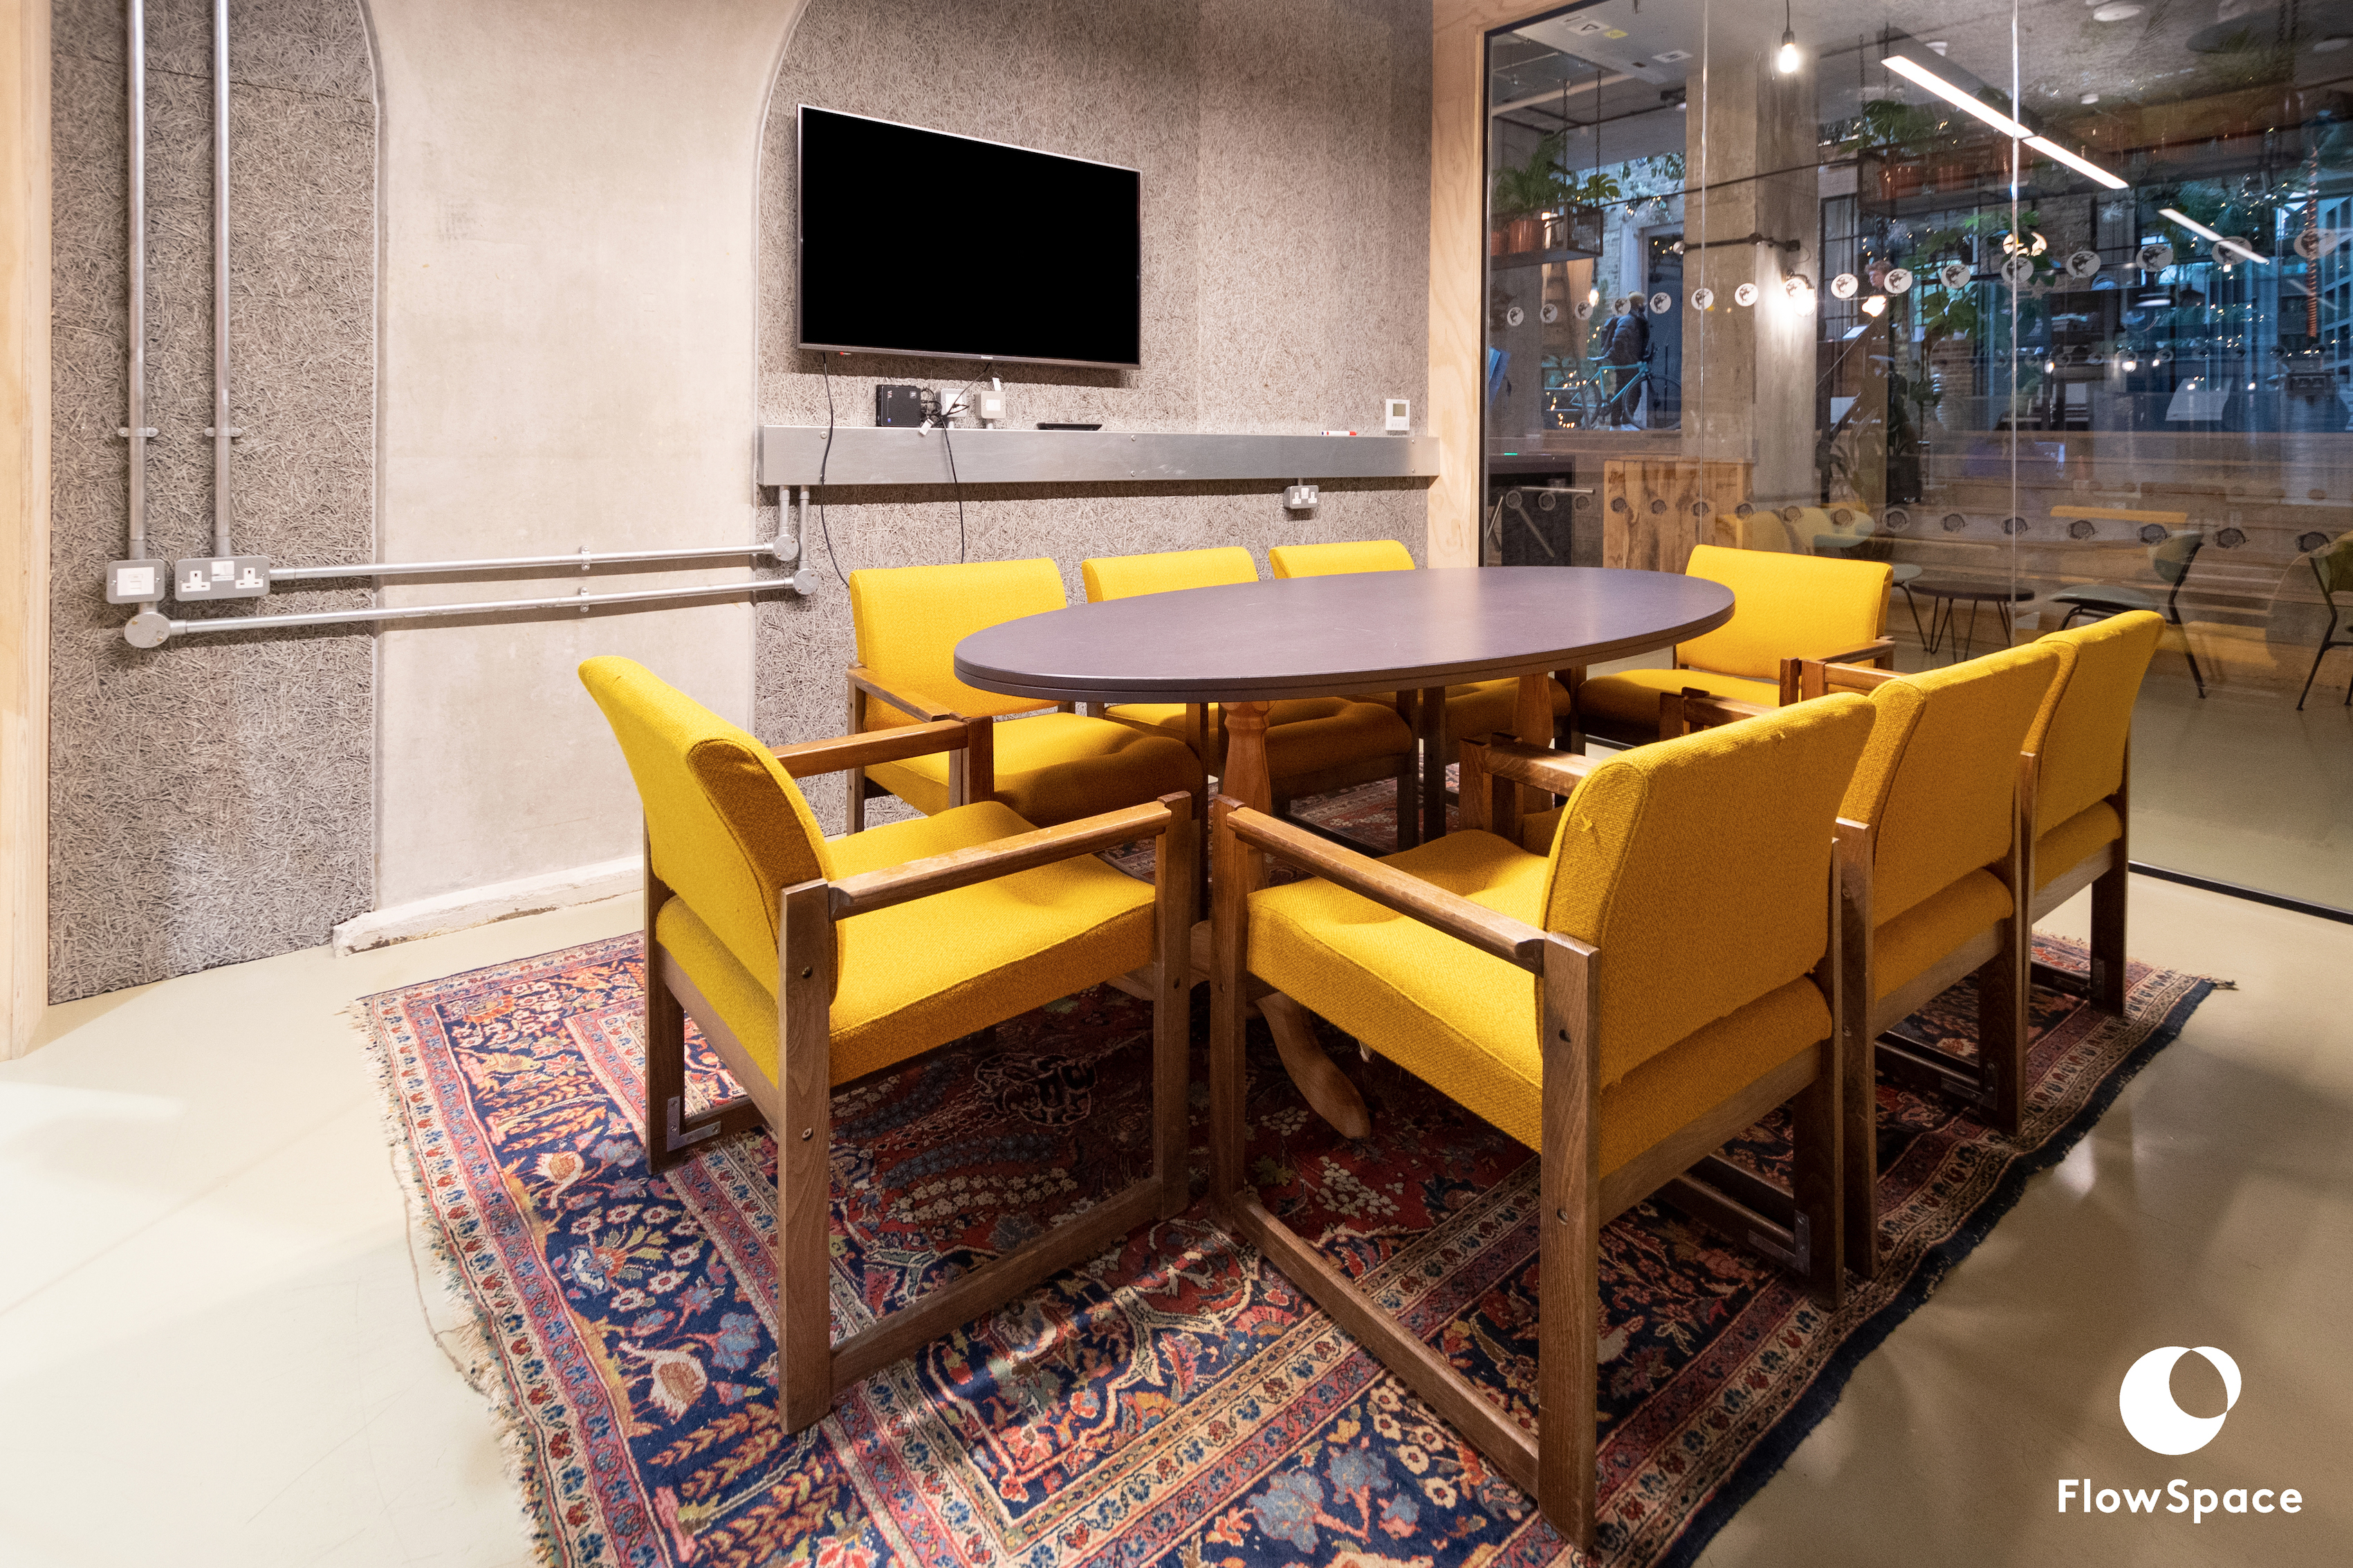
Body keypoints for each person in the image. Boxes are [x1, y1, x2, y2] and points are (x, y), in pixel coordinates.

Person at [1596, 295, 1650, 426]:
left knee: (1626, 390)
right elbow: (1619, 340)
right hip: (1626, 361)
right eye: (1642, 304)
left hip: (1628, 360)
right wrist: (1627, 358)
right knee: (1631, 391)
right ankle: (1623, 419)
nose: (1645, 306)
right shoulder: (1628, 319)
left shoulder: (1633, 318)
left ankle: (1621, 420)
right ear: (1638, 305)